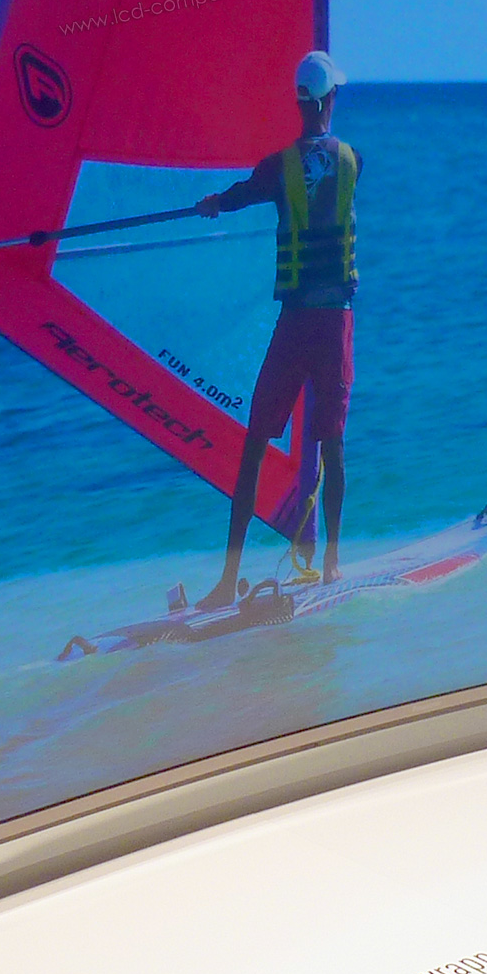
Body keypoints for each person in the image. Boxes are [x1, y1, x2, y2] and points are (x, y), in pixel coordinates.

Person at [192, 50, 362, 611]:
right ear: (330, 99)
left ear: (299, 102)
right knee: (332, 444)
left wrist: (214, 204)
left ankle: (227, 579)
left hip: (294, 325)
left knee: (254, 445)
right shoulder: (353, 161)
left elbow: (242, 194)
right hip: (333, 323)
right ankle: (332, 563)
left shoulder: (277, 168)